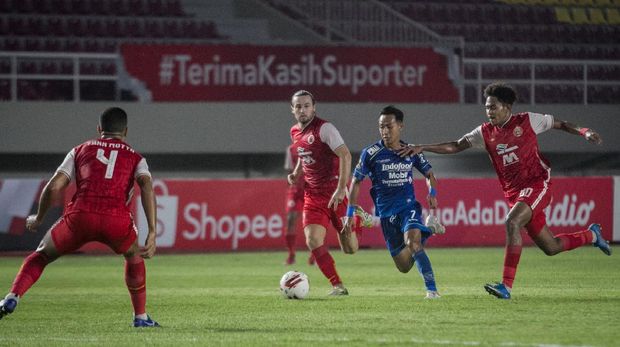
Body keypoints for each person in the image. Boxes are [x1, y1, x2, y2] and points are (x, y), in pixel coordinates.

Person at [398, 82, 611, 299]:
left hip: (537, 184)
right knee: (551, 246)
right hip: (515, 193)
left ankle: (506, 287)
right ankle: (592, 235)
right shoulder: (484, 132)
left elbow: (562, 124)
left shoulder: (528, 120)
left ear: (507, 107)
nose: (489, 112)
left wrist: (584, 131)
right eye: (487, 107)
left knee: (512, 222)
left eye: (493, 107)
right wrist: (423, 147)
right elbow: (456, 145)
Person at [0, 107, 160, 326]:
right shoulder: (136, 158)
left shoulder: (80, 150)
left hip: (80, 217)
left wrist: (38, 218)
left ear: (99, 129)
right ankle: (141, 317)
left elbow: (55, 185)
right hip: (116, 220)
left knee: (41, 255)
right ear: (126, 131)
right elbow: (147, 187)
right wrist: (152, 231)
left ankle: (12, 297)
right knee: (133, 256)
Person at [344, 106, 443, 299]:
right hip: (387, 214)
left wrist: (432, 191)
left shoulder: (411, 151)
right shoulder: (370, 153)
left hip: (408, 207)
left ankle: (432, 290)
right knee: (404, 266)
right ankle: (429, 230)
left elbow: (430, 174)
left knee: (413, 243)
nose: (385, 131)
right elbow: (356, 182)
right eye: (381, 127)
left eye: (389, 126)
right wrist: (349, 214)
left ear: (400, 126)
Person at [287, 90, 359, 296]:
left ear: (314, 107)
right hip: (313, 195)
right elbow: (303, 154)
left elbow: (345, 155)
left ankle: (358, 219)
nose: (303, 110)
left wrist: (340, 189)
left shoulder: (325, 128)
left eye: (306, 105)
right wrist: (296, 172)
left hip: (335, 191)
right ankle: (337, 285)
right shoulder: (294, 131)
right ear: (292, 109)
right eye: (298, 106)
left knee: (350, 248)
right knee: (312, 240)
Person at [283, 143, 314, 266]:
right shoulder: (291, 149)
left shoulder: (313, 146)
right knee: (290, 219)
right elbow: (289, 170)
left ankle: (314, 254)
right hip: (295, 190)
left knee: (312, 222)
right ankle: (291, 255)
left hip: (310, 188)